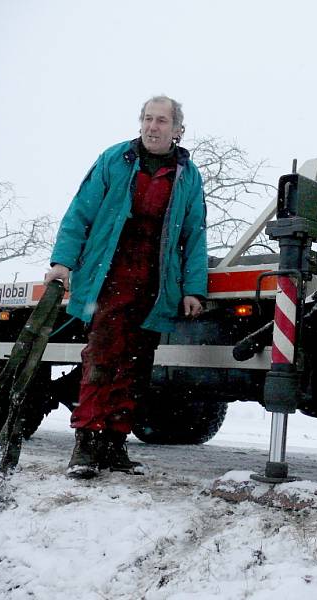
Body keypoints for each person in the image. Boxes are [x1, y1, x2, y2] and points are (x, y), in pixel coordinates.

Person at [45, 95, 208, 479]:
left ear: (177, 129)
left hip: (155, 286)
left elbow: (194, 235)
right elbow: (79, 213)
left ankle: (115, 445)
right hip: (110, 278)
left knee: (136, 367)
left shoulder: (189, 175)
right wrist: (62, 263)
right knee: (102, 359)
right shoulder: (115, 160)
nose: (153, 127)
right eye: (148, 119)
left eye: (162, 121)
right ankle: (86, 444)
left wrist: (192, 289)